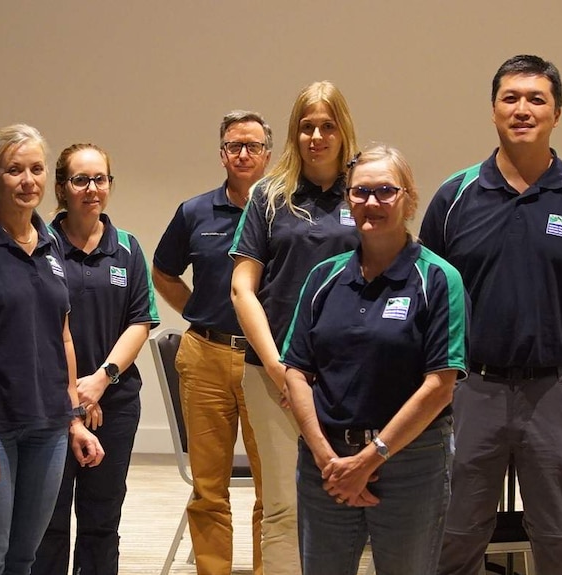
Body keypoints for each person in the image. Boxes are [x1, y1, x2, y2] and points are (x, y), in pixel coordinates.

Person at [420, 54, 562, 575]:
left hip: (559, 391)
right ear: (493, 110)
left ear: (557, 113)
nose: (523, 109)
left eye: (537, 99)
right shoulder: (455, 197)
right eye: (511, 98)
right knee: (454, 535)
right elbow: (426, 297)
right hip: (472, 392)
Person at [281, 144, 467, 574]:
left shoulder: (439, 279)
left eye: (385, 190)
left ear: (409, 198)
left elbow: (439, 386)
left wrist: (371, 459)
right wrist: (329, 460)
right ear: (348, 199)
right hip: (325, 463)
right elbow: (295, 372)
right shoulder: (322, 278)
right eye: (360, 192)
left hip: (410, 463)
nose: (372, 202)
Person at [0, 124, 105, 575]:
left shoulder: (51, 245)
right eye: (14, 170)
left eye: (36, 169)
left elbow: (62, 337)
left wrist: (73, 419)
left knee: (23, 558)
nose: (28, 180)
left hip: (47, 426)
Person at [229, 81, 359, 574]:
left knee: (345, 501)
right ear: (293, 133)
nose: (317, 136)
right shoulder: (268, 196)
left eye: (327, 126)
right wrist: (279, 368)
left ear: (343, 130)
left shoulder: (365, 188)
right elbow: (243, 289)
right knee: (283, 506)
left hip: (348, 375)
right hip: (272, 374)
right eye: (306, 127)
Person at [31, 143, 159, 575]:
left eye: (99, 179)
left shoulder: (127, 248)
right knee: (48, 521)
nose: (91, 189)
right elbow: (35, 327)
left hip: (115, 403)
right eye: (80, 180)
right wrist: (75, 397)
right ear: (62, 188)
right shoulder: (38, 246)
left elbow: (140, 321)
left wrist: (101, 381)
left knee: (102, 519)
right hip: (50, 404)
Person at [152, 110, 270, 575]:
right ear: (221, 153)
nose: (243, 153)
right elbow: (163, 271)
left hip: (267, 362)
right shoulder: (195, 211)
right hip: (205, 357)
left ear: (267, 154)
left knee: (274, 488)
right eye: (234, 145)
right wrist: (199, 312)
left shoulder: (284, 212)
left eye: (253, 146)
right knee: (208, 489)